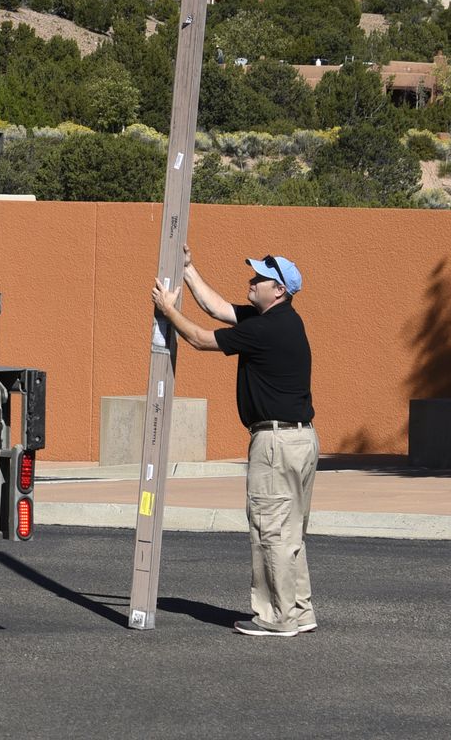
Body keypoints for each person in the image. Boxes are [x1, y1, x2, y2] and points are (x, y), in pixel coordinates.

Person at [151, 246, 316, 637]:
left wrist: (167, 309)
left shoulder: (265, 329)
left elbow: (200, 339)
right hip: (301, 440)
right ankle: (299, 610)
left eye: (258, 279)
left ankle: (277, 618)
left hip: (275, 443)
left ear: (278, 289)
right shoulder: (282, 320)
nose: (251, 281)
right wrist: (189, 270)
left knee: (269, 530)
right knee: (289, 531)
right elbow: (218, 308)